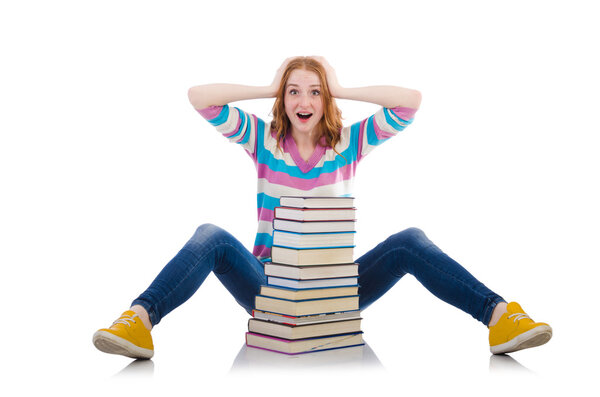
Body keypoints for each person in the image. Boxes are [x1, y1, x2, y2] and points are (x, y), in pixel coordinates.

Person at [93, 56, 552, 360]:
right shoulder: (262, 140)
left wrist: (342, 86)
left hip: (335, 293)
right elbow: (200, 97)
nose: (304, 100)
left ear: (325, 99)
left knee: (409, 241)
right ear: (283, 101)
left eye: (314, 91)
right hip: (267, 289)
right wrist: (268, 82)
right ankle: (138, 320)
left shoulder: (349, 144)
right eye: (293, 92)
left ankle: (499, 316)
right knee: (210, 234)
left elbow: (410, 103)